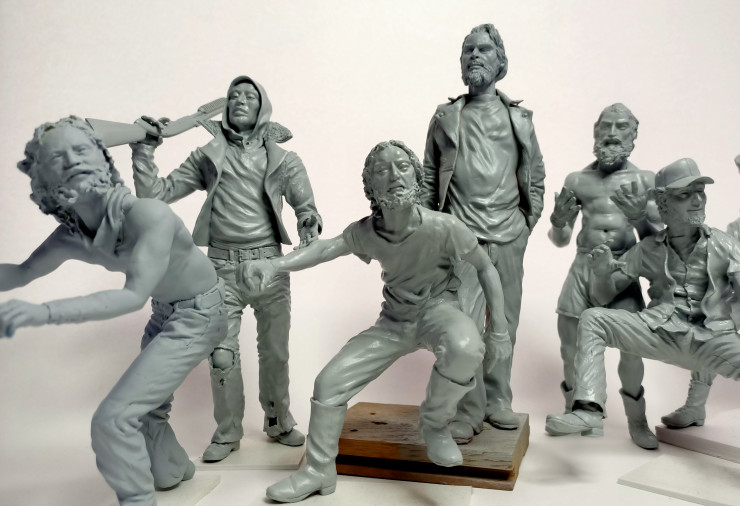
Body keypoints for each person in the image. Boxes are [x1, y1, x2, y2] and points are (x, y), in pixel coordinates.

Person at [249, 141, 510, 502]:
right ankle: (318, 471)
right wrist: (273, 265)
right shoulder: (367, 232)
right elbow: (324, 249)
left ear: (417, 177)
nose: (394, 175)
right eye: (382, 170)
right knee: (328, 383)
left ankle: (435, 423)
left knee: (466, 347)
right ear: (370, 187)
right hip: (394, 322)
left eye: (402, 166)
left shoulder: (444, 226)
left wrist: (499, 330)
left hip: (440, 311)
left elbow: (485, 268)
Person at [0, 116, 227, 506]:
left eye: (82, 149)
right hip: (165, 311)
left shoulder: (149, 215)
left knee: (114, 419)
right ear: (42, 178)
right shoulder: (71, 236)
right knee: (148, 409)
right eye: (57, 157)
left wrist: (44, 312)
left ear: (104, 159)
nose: (72, 160)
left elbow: (132, 296)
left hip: (201, 313)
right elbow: (21, 272)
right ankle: (173, 469)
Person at [131, 75, 322, 461]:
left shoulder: (284, 160)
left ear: (263, 106)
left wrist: (309, 223)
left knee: (275, 352)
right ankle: (228, 430)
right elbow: (156, 193)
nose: (240, 100)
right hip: (219, 269)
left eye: (249, 95)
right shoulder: (207, 156)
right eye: (234, 95)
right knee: (221, 355)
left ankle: (278, 420)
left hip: (270, 267)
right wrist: (143, 152)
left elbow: (307, 207)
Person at [545, 158, 740, 440]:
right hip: (660, 333)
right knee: (593, 319)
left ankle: (691, 407)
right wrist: (602, 272)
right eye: (685, 194)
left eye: (700, 192)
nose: (697, 200)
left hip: (711, 341)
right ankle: (589, 409)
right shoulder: (648, 249)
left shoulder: (725, 245)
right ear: (663, 204)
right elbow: (603, 296)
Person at [422, 23, 545, 439]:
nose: (475, 55)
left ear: (500, 61)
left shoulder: (519, 118)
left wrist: (527, 224)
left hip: (509, 235)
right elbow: (428, 177)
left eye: (484, 49)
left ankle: (498, 401)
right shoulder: (445, 117)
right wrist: (433, 231)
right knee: (466, 327)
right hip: (460, 238)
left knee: (504, 323)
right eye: (468, 50)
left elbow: (535, 176)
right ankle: (467, 410)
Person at [549, 103, 665, 448]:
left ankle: (637, 420)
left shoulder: (645, 181)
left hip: (622, 268)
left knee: (631, 348)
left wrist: (639, 216)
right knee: (569, 342)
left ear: (634, 134)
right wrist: (557, 222)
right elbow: (560, 240)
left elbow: (655, 242)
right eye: (606, 126)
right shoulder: (577, 180)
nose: (612, 134)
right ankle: (576, 410)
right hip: (583, 266)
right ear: (595, 131)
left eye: (621, 127)